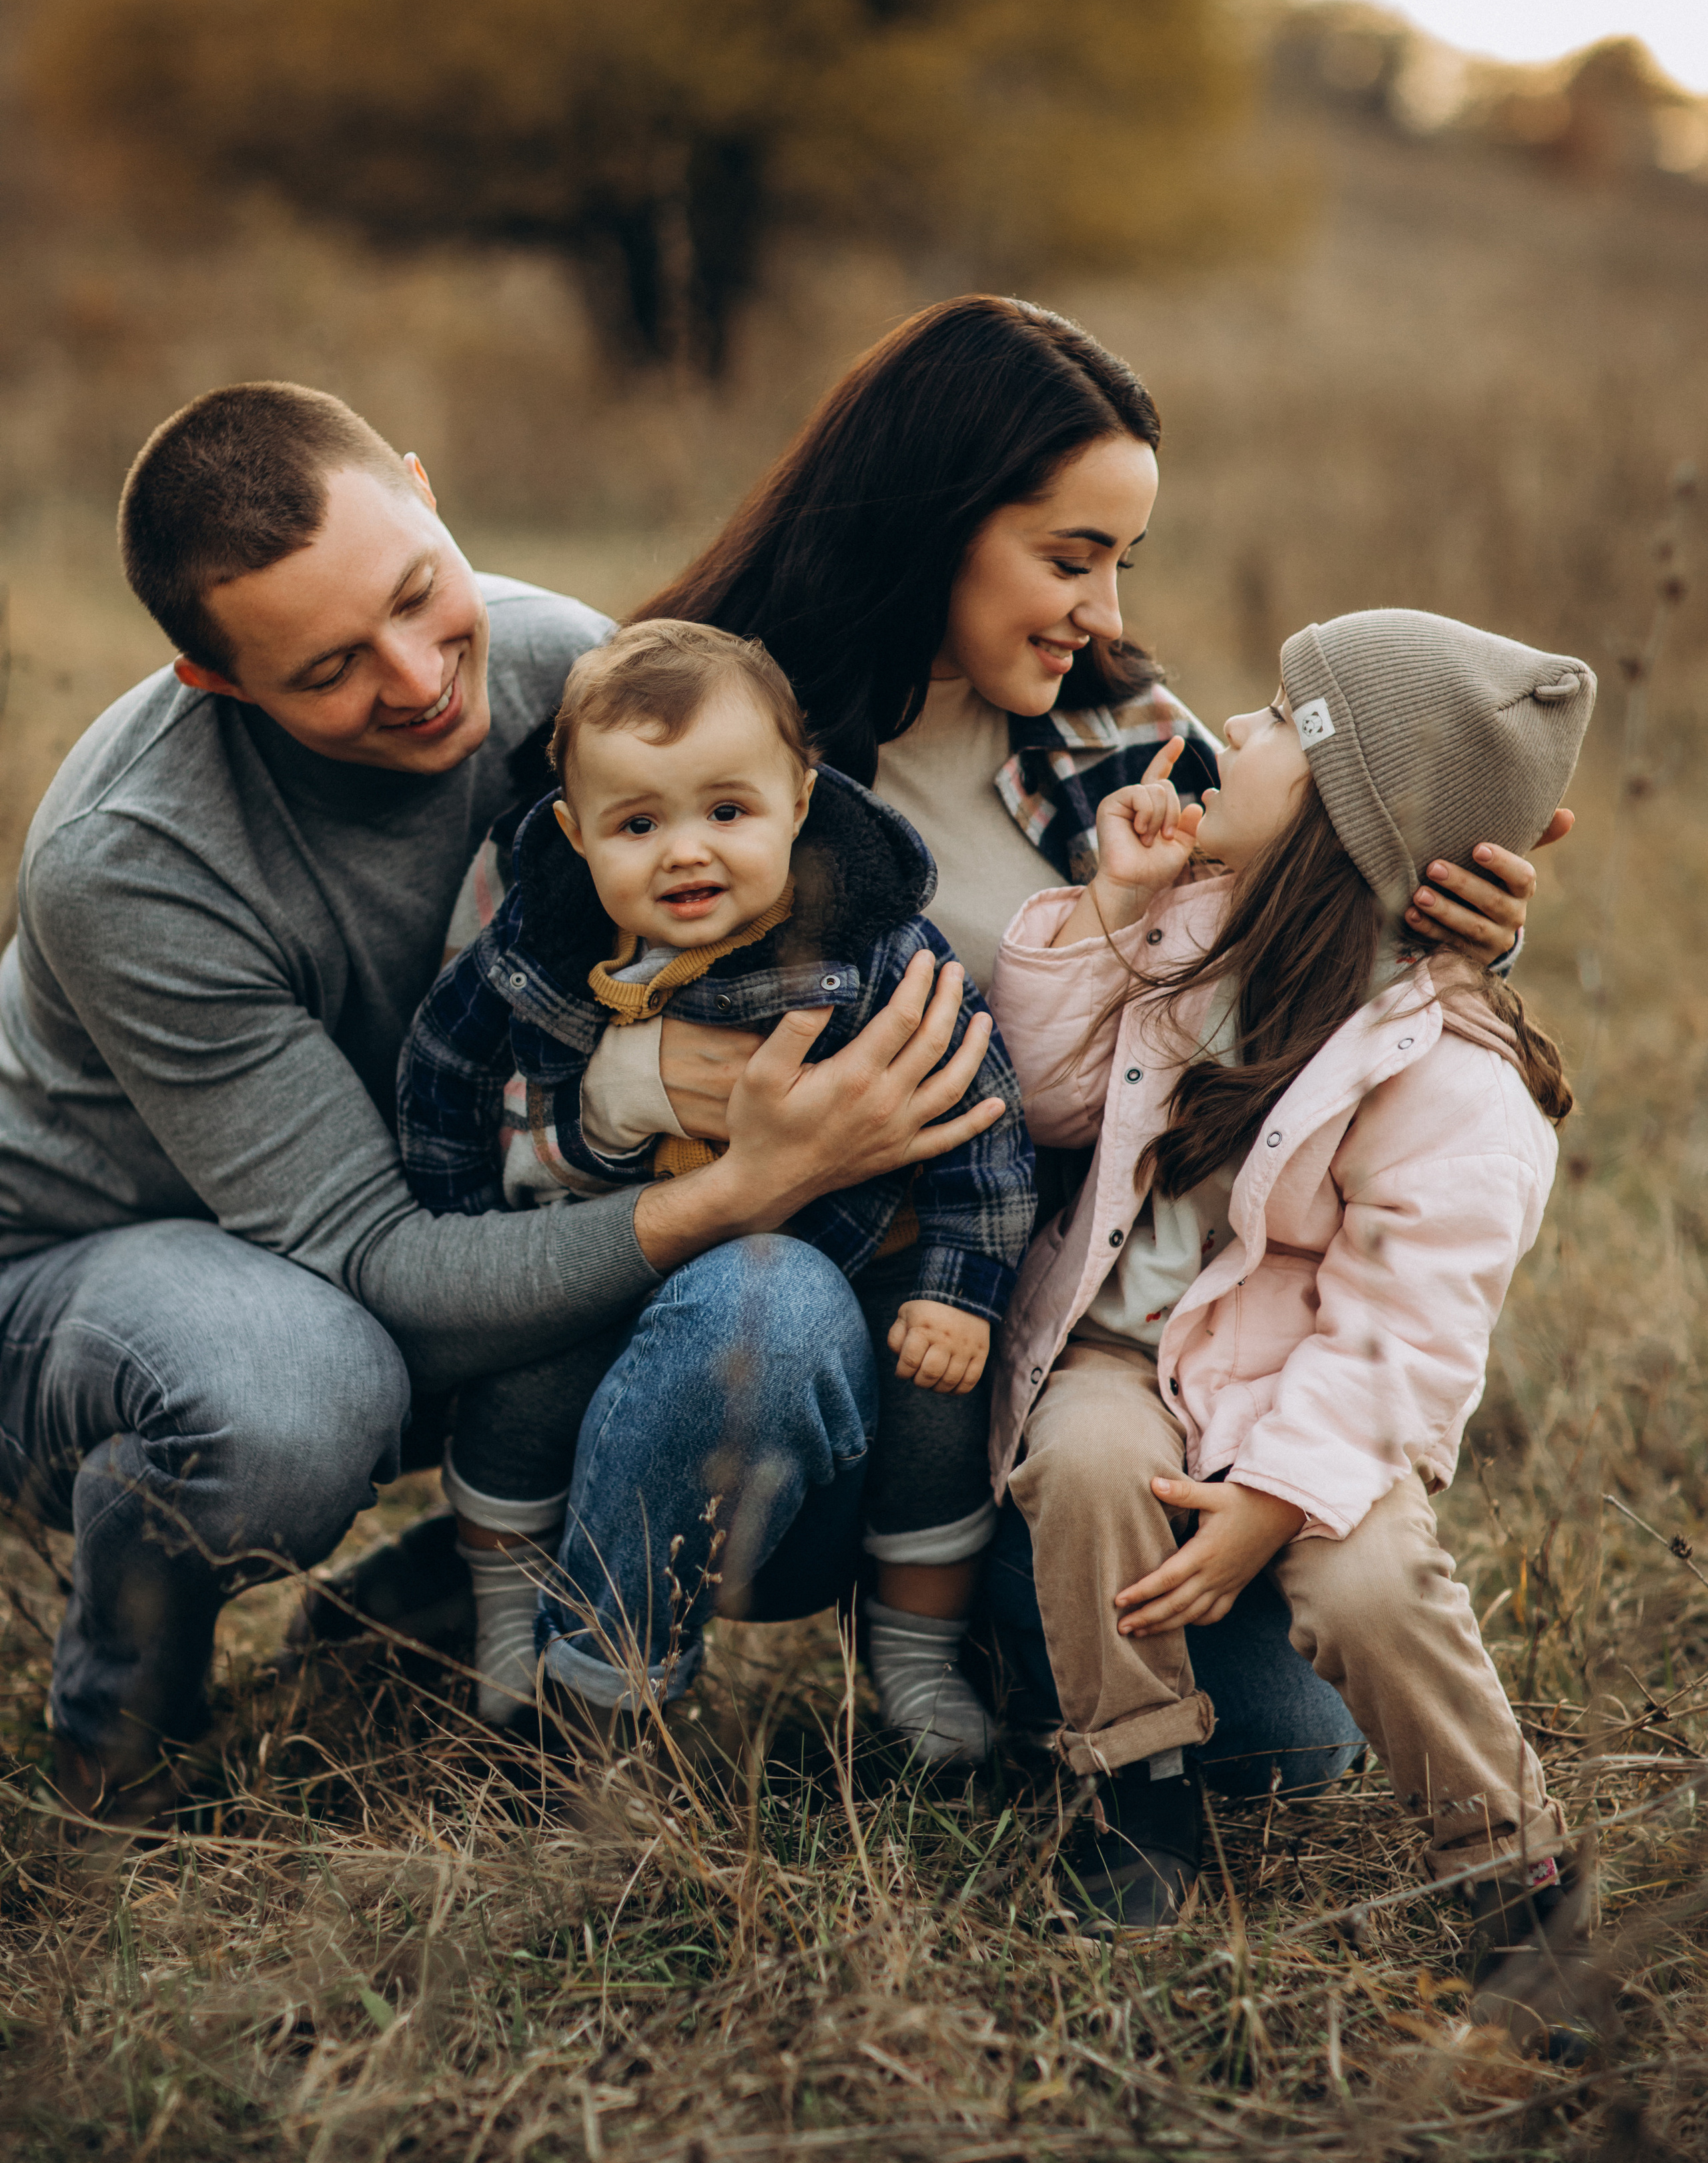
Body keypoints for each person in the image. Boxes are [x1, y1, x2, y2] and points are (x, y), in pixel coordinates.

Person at [0, 382, 1001, 1821]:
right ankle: (122, 1703)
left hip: (445, 1191)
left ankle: (420, 1611)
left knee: (673, 1284)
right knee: (298, 1390)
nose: (417, 679)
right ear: (214, 684)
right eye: (331, 667)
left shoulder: (554, 669)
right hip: (102, 1261)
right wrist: (737, 1186)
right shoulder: (130, 862)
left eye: (420, 594)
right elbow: (382, 1266)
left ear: (423, 488)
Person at [618, 296, 1565, 1780]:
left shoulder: (1132, 741)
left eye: (1123, 563)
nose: (1107, 616)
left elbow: (1276, 976)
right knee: (766, 1323)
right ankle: (543, 1606)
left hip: (1033, 1365)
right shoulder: (695, 738)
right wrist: (641, 1078)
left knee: (1280, 1747)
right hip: (775, 1324)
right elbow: (522, 1017)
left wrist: (1442, 914)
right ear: (931, 526)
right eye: (1069, 560)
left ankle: (970, 1624)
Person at [987, 610, 1597, 2047]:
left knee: (1365, 1594)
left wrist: (1276, 1499)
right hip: (1125, 1363)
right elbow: (1047, 1100)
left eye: (1273, 719)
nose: (1232, 733)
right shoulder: (1194, 931)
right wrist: (1105, 912)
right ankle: (1132, 1797)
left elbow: (1404, 1331)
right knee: (1080, 1461)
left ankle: (1515, 1869)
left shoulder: (1452, 1077)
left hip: (1307, 1415)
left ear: (1341, 812)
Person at [397, 618, 1033, 1755]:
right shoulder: (540, 946)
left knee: (941, 1405)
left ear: (801, 797)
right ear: (576, 836)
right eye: (639, 824)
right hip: (611, 1259)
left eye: (727, 813)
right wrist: (463, 1228)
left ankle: (919, 1657)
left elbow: (982, 1120)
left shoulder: (874, 947)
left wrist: (958, 1286)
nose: (687, 852)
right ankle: (515, 1631)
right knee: (514, 1400)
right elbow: (442, 1068)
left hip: (843, 1279)